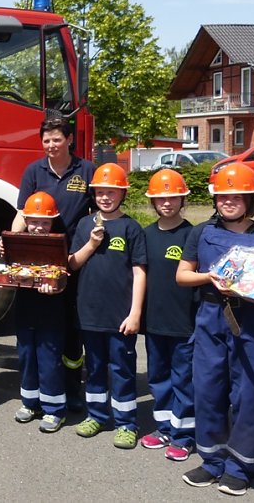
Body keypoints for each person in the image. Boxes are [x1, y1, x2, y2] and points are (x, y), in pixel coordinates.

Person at [176, 163, 254, 495]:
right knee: (208, 391)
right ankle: (213, 461)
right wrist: (212, 277)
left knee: (249, 394)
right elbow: (182, 276)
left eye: (236, 196)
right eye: (223, 196)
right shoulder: (200, 232)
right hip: (212, 316)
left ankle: (242, 465)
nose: (228, 201)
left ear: (250, 199)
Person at [11, 117, 96, 410]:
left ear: (69, 140)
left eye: (57, 139)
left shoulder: (86, 170)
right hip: (42, 261)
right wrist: (12, 242)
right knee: (43, 329)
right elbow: (23, 211)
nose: (51, 146)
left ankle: (72, 391)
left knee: (72, 331)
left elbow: (98, 212)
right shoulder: (34, 171)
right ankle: (44, 393)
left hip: (75, 259)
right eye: (46, 140)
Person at [68, 163, 146, 450]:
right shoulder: (85, 225)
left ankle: (126, 423)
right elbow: (72, 263)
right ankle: (97, 415)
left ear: (122, 193)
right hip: (89, 314)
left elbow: (139, 272)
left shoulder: (131, 227)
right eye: (100, 192)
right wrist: (90, 243)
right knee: (96, 367)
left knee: (122, 369)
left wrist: (135, 312)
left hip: (120, 316)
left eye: (111, 192)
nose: (105, 197)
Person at [140, 169, 196, 461]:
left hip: (184, 324)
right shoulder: (146, 235)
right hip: (154, 323)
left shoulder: (192, 234)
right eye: (161, 198)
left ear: (182, 199)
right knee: (158, 378)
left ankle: (185, 435)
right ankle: (164, 427)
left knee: (183, 380)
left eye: (173, 197)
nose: (166, 202)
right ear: (153, 201)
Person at [0, 191, 67, 432]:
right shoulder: (18, 243)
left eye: (44, 222)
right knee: (27, 355)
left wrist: (57, 286)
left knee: (49, 358)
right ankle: (29, 402)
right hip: (25, 310)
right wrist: (1, 280)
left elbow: (64, 274)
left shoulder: (59, 243)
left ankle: (54, 409)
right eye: (34, 221)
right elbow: (11, 270)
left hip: (52, 312)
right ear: (25, 220)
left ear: (53, 222)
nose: (38, 227)